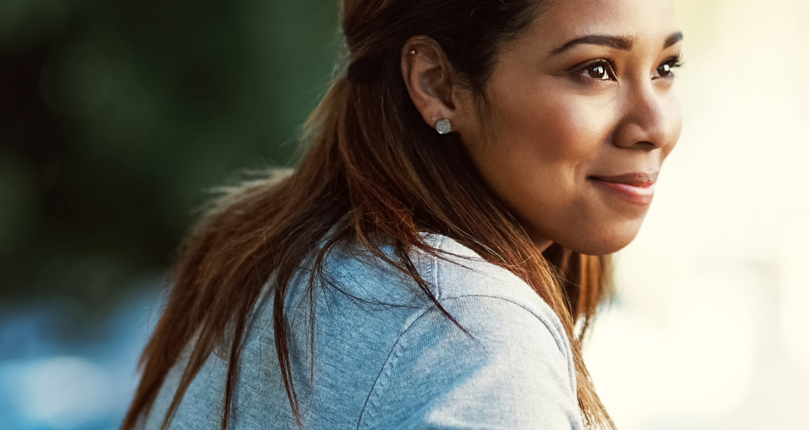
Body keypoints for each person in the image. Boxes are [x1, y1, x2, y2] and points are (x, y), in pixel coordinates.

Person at [120, 0, 682, 427]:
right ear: (437, 84)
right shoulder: (467, 327)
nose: (656, 126)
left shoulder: (264, 246)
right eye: (596, 70)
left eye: (665, 67)